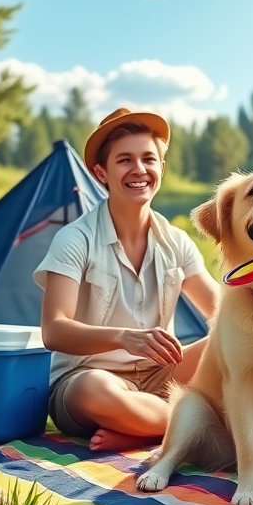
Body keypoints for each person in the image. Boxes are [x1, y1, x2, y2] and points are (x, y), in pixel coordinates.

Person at [33, 107, 219, 452]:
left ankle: (146, 430)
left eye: (148, 159)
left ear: (161, 168)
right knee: (97, 391)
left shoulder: (177, 241)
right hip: (87, 378)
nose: (139, 170)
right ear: (101, 173)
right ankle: (194, 426)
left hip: (163, 377)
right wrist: (123, 338)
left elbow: (224, 313)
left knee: (235, 340)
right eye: (124, 160)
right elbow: (54, 330)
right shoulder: (75, 239)